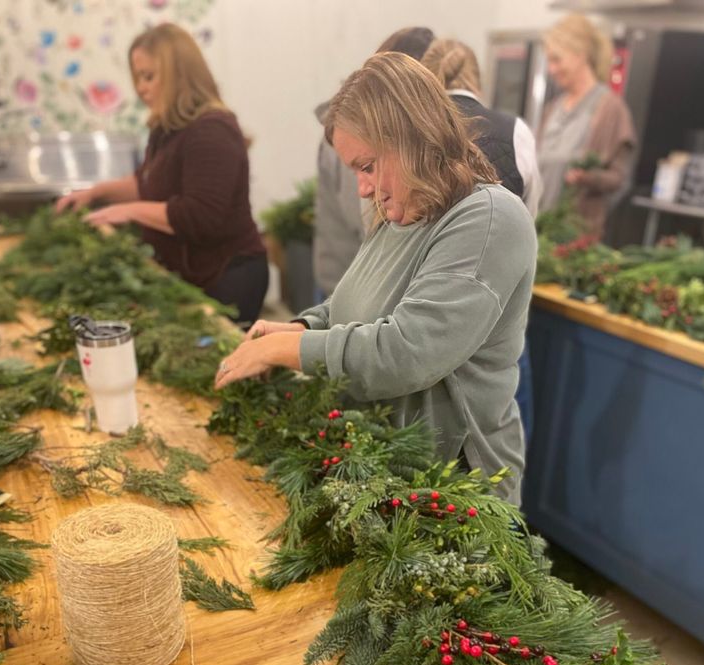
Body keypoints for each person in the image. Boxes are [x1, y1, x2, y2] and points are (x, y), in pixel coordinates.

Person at [215, 53, 537, 506]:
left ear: (412, 139)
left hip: (451, 490)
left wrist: (284, 350)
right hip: (382, 470)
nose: (362, 188)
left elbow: (407, 352)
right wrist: (303, 328)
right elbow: (353, 303)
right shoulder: (399, 213)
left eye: (367, 166)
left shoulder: (488, 219)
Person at [55, 23, 268, 324]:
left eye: (149, 76)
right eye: (137, 78)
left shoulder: (212, 130)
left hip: (229, 278)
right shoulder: (167, 127)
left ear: (179, 73)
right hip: (193, 276)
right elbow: (146, 182)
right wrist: (97, 193)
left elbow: (200, 215)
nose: (141, 88)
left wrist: (129, 211)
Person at [422, 37, 541, 446]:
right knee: (499, 423)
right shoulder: (514, 131)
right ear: (477, 77)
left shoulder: (416, 132)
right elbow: (529, 216)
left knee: (432, 431)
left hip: (429, 307)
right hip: (496, 304)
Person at [313, 26, 435, 299]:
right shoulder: (357, 134)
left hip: (349, 284)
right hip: (350, 285)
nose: (365, 189)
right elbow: (366, 219)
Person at [537, 13, 636, 239]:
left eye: (557, 59)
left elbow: (620, 179)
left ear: (580, 55)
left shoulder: (611, 109)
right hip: (539, 226)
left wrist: (588, 178)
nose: (551, 69)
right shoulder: (552, 108)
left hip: (575, 237)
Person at [421, 37, 542, 217]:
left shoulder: (413, 128)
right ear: (478, 78)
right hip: (503, 241)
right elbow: (530, 209)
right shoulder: (516, 131)